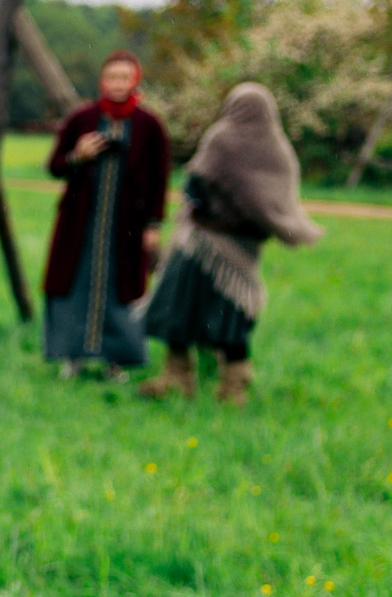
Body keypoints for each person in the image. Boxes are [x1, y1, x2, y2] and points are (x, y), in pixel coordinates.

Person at [137, 81, 321, 406]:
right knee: (231, 311)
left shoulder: (221, 138)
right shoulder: (279, 150)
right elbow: (277, 201)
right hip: (243, 247)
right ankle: (234, 386)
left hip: (200, 244)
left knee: (180, 305)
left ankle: (180, 377)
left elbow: (195, 185)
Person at [42, 52, 169, 377]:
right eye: (112, 77)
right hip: (80, 224)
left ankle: (116, 362)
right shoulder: (81, 119)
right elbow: (55, 166)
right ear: (103, 81)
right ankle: (73, 358)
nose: (118, 84)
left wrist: (154, 224)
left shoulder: (149, 126)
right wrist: (77, 156)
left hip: (126, 227)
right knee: (76, 284)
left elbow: (160, 179)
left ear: (135, 81)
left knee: (120, 289)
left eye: (124, 78)